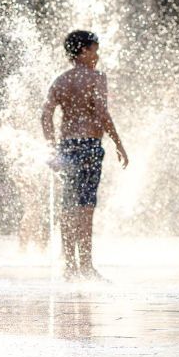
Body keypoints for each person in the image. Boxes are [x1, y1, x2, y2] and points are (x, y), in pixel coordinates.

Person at [41, 31, 128, 280]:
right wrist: (118, 144)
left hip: (67, 147)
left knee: (68, 206)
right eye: (94, 50)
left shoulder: (60, 80)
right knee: (86, 207)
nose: (97, 56)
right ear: (82, 51)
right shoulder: (96, 78)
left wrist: (51, 146)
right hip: (90, 145)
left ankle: (69, 267)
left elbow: (45, 115)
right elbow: (101, 112)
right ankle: (87, 267)